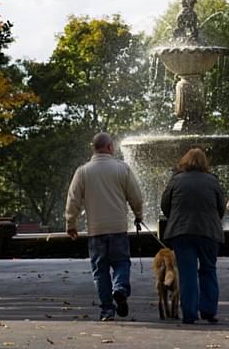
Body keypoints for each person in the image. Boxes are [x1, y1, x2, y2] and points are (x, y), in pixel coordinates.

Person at [65, 132, 144, 321]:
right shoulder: (122, 168)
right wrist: (138, 214)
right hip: (117, 228)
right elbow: (136, 196)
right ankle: (120, 288)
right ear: (109, 147)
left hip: (96, 230)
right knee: (122, 263)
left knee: (100, 271)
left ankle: (107, 310)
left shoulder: (83, 171)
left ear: (94, 148)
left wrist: (71, 223)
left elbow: (73, 200)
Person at [160, 147, 225, 325]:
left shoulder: (176, 181)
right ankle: (209, 311)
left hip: (182, 232)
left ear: (185, 161)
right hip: (208, 233)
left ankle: (189, 313)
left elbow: (165, 206)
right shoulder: (213, 181)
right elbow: (221, 207)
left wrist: (176, 217)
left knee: (187, 273)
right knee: (208, 270)